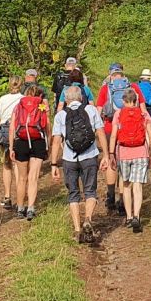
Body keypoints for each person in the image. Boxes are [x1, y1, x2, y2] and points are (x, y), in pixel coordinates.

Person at [49, 83, 112, 244]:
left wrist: (54, 164)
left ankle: (77, 230)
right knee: (90, 191)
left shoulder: (60, 116)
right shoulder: (90, 111)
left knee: (73, 194)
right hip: (89, 156)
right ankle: (88, 219)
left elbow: (56, 141)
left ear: (66, 99)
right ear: (82, 97)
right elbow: (100, 133)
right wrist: (105, 154)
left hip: (69, 159)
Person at [95, 63, 143, 215]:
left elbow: (98, 111)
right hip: (130, 131)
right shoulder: (133, 87)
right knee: (123, 165)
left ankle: (110, 196)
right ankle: (123, 199)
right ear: (123, 75)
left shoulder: (105, 88)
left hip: (110, 129)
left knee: (111, 161)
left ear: (111, 75)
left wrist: (99, 130)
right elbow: (142, 109)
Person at [109, 85, 151, 233]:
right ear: (136, 101)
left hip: (124, 153)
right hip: (141, 153)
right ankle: (137, 215)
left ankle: (129, 217)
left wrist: (111, 154)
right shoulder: (144, 114)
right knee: (138, 186)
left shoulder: (118, 114)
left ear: (124, 100)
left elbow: (113, 136)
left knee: (126, 185)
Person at [9, 83, 51, 220]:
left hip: (21, 141)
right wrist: (48, 145)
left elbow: (12, 127)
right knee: (33, 177)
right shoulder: (42, 106)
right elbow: (47, 126)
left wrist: (11, 147)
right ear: (39, 95)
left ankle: (20, 208)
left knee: (22, 178)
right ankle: (31, 208)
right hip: (37, 142)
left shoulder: (19, 105)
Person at [0, 76, 24, 213]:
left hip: (3, 133)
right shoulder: (23, 99)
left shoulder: (3, 99)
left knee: (6, 164)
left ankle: (7, 196)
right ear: (21, 85)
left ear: (9, 85)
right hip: (18, 133)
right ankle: (20, 196)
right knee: (17, 164)